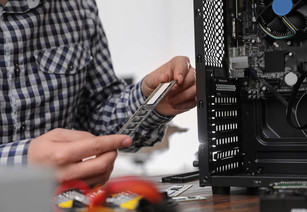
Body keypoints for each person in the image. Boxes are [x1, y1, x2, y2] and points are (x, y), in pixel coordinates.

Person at [0, 0, 196, 185]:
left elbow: (97, 115)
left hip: (65, 208)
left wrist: (150, 102)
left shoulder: (79, 7)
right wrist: (21, 162)